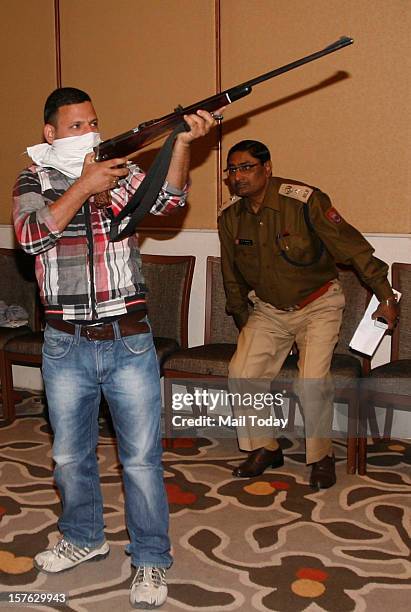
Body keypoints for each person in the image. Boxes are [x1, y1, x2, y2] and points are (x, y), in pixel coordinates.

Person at [13, 87, 220, 609]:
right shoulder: (33, 181)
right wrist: (83, 185)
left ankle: (150, 558)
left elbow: (169, 202)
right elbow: (31, 236)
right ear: (51, 133)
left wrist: (180, 145)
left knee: (142, 461)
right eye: (77, 125)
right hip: (64, 344)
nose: (89, 132)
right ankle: (84, 538)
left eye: (93, 122)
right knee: (68, 456)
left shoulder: (119, 173)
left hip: (128, 340)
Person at [218, 140, 399, 489]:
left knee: (311, 382)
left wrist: (385, 294)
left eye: (246, 167)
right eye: (232, 170)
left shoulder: (303, 201)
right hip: (269, 310)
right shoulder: (230, 218)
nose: (237, 176)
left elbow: (352, 247)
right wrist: (244, 319)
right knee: (242, 372)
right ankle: (265, 447)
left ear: (266, 168)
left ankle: (321, 456)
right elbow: (232, 275)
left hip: (319, 303)